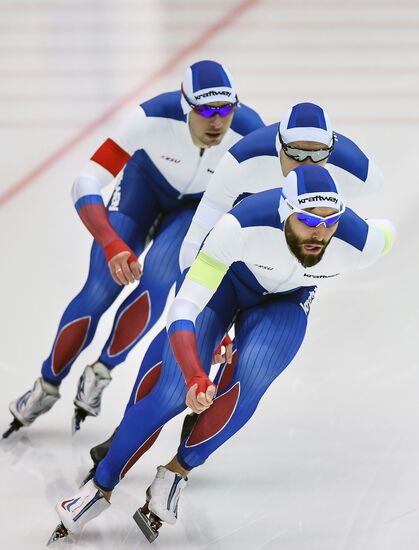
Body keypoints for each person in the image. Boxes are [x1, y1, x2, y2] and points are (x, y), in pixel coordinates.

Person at [48, 163, 395, 543]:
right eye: (308, 220)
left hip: (286, 301)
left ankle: (176, 473)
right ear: (284, 212)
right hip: (225, 286)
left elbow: (388, 229)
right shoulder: (239, 227)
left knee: (252, 379)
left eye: (330, 222)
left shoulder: (360, 243)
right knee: (171, 391)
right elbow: (183, 308)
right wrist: (197, 372)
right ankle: (99, 487)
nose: (320, 233)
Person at [84, 101, 384, 469]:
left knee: (253, 366)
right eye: (294, 154)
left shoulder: (361, 174)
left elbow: (366, 231)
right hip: (229, 269)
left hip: (287, 287)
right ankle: (128, 429)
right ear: (277, 144)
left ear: (333, 151)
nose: (306, 166)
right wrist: (190, 300)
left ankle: (187, 450)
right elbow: (195, 242)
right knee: (177, 360)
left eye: (318, 156)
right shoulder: (242, 161)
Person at [4, 60, 264, 438]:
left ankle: (102, 371)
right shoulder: (149, 117)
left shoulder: (250, 133)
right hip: (143, 188)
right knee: (100, 287)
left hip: (195, 208)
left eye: (226, 110)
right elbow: (85, 182)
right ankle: (46, 385)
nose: (217, 121)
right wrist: (111, 243)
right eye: (205, 110)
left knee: (158, 276)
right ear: (183, 105)